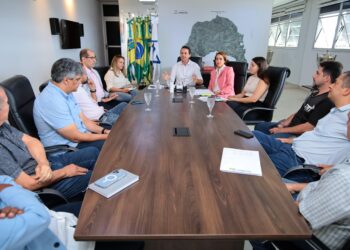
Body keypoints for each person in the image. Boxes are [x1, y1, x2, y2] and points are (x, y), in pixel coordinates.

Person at [0, 86, 98, 200]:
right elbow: (29, 184)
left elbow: (32, 141)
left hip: (45, 165)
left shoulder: (3, 126)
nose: (9, 106)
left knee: (93, 152)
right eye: (7, 103)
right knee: (94, 177)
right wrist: (64, 172)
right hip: (42, 186)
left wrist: (43, 163)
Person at [253, 71, 350, 182]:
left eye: (336, 83)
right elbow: (317, 133)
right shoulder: (335, 110)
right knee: (250, 136)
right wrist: (291, 141)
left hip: (299, 161)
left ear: (346, 90)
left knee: (252, 168)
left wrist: (333, 168)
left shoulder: (347, 116)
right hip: (292, 147)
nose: (331, 85)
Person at [251, 158, 350, 250]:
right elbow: (321, 187)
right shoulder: (344, 172)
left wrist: (267, 199)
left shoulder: (344, 178)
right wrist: (295, 186)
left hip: (307, 233)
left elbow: (301, 216)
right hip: (308, 201)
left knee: (251, 206)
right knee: (261, 183)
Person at [34, 58, 109, 153]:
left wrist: (105, 131)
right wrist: (106, 136)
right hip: (68, 149)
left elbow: (85, 121)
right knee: (112, 145)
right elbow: (75, 137)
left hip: (81, 137)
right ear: (66, 81)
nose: (80, 82)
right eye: (77, 79)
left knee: (113, 138)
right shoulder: (52, 100)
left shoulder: (67, 93)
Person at [255, 61, 343, 138]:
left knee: (264, 138)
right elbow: (301, 111)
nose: (313, 75)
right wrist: (285, 123)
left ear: (326, 78)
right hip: (291, 126)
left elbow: (309, 127)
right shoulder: (315, 92)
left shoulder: (326, 101)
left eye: (317, 73)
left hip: (298, 134)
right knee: (260, 126)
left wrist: (282, 130)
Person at [0, 175, 65, 250]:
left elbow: (5, 180)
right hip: (60, 238)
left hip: (55, 219)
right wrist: (5, 188)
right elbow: (39, 217)